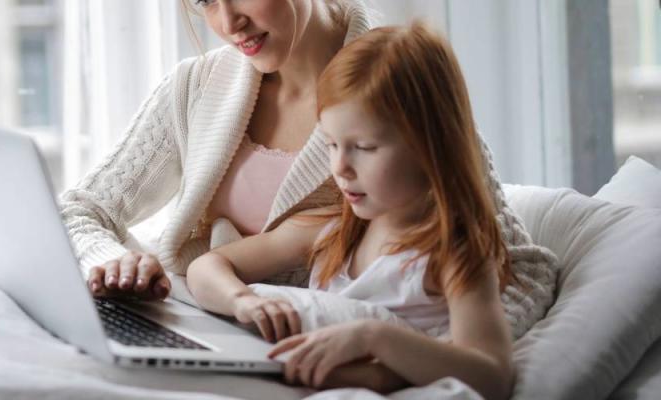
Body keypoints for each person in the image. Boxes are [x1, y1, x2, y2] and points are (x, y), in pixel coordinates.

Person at [186, 22, 516, 400]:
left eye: (364, 147)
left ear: (431, 147)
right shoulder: (332, 230)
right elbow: (206, 267)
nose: (339, 168)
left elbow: (493, 375)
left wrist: (373, 339)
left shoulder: (452, 253)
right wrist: (240, 301)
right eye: (330, 144)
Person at [60, 0, 373, 299]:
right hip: (185, 310)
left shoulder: (397, 91)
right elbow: (79, 211)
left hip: (311, 339)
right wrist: (114, 263)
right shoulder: (197, 85)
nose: (229, 23)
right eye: (205, 0)